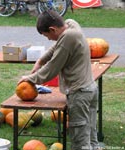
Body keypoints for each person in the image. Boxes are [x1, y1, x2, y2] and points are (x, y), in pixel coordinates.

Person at [18, 10, 101, 150]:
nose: (49, 39)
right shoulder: (71, 25)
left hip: (79, 94)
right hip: (90, 89)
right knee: (91, 136)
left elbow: (53, 68)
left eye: (47, 35)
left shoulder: (68, 37)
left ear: (52, 29)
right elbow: (57, 46)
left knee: (80, 141)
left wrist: (30, 79)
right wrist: (40, 60)